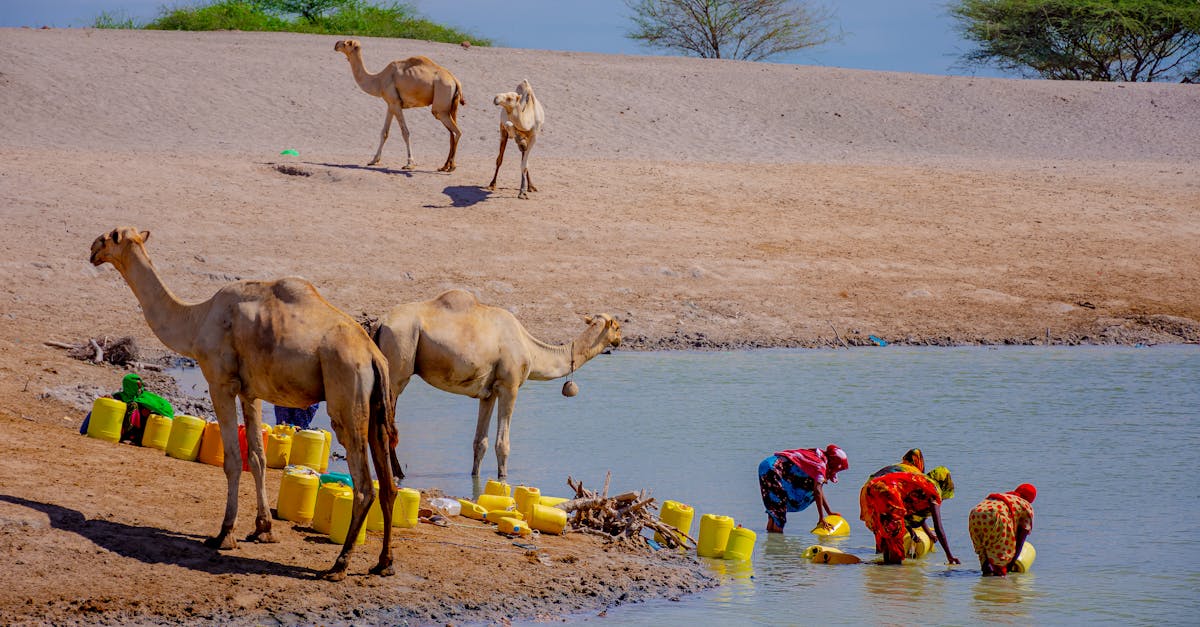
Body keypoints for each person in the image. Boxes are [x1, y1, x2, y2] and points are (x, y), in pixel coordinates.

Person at [861, 466, 960, 565]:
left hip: (871, 489)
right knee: (896, 547)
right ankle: (893, 574)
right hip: (888, 492)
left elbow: (908, 514)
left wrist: (912, 533)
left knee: (888, 538)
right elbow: (938, 527)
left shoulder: (921, 483)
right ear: (945, 486)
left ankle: (885, 574)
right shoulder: (934, 492)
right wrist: (949, 555)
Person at [758, 444, 849, 533]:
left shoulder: (818, 456)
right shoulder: (820, 465)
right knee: (779, 512)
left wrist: (828, 511)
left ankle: (770, 539)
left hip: (768, 465)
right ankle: (777, 544)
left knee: (775, 509)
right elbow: (817, 491)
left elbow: (818, 491)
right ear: (833, 464)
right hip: (773, 469)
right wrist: (821, 518)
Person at [81, 372, 175, 445]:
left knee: (145, 411)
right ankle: (124, 435)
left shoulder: (145, 397)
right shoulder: (118, 397)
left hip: (139, 434)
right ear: (128, 386)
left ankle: (137, 439)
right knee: (132, 406)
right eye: (137, 385)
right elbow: (97, 411)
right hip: (117, 430)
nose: (139, 388)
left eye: (140, 385)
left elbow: (163, 408)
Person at [969, 483, 1036, 576]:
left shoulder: (1006, 498)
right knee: (1000, 561)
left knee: (983, 551)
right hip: (996, 515)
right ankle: (998, 585)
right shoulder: (1025, 505)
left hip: (976, 513)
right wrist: (1010, 563)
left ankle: (986, 578)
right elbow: (1021, 539)